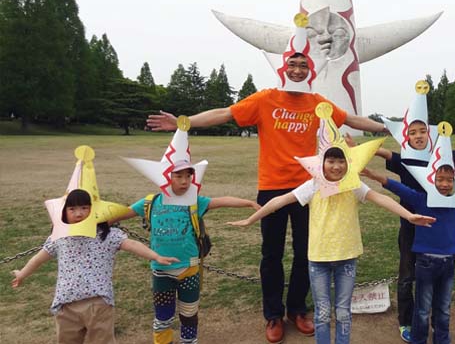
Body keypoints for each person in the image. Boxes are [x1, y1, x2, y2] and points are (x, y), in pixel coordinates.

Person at [147, 52, 384, 343]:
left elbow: (352, 119)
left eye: (303, 66)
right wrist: (184, 123)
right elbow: (225, 113)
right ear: (283, 68)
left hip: (309, 190)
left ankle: (297, 309)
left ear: (309, 71)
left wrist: (387, 127)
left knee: (305, 252)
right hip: (272, 187)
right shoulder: (265, 99)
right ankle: (273, 315)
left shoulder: (317, 103)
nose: (297, 70)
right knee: (271, 255)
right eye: (292, 65)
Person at [229, 145, 435, 344]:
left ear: (347, 163)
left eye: (341, 161)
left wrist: (409, 216)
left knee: (344, 312)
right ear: (322, 163)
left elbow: (379, 198)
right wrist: (251, 219)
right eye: (331, 161)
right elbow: (280, 201)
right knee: (322, 313)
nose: (336, 166)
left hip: (347, 258)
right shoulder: (313, 185)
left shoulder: (353, 185)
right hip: (319, 259)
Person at [350, 121, 455, 342]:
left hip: (446, 252)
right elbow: (392, 178)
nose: (419, 136)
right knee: (412, 285)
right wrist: (364, 161)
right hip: (415, 234)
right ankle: (412, 328)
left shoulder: (451, 180)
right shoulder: (412, 179)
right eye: (413, 133)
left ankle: (440, 334)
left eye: (423, 131)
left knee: (442, 301)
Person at [112, 163, 259, 344]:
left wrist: (249, 203)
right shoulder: (150, 203)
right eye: (178, 176)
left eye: (188, 176)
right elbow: (122, 213)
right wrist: (94, 222)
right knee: (163, 317)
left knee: (189, 315)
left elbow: (221, 201)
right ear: (166, 177)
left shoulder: (195, 202)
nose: (184, 181)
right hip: (161, 271)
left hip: (189, 270)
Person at [11, 189, 180, 344]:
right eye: (72, 209)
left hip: (98, 303)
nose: (79, 213)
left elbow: (133, 244)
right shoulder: (59, 238)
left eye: (85, 208)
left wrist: (156, 256)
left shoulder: (108, 236)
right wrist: (22, 274)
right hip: (66, 305)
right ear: (64, 212)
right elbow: (38, 259)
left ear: (94, 210)